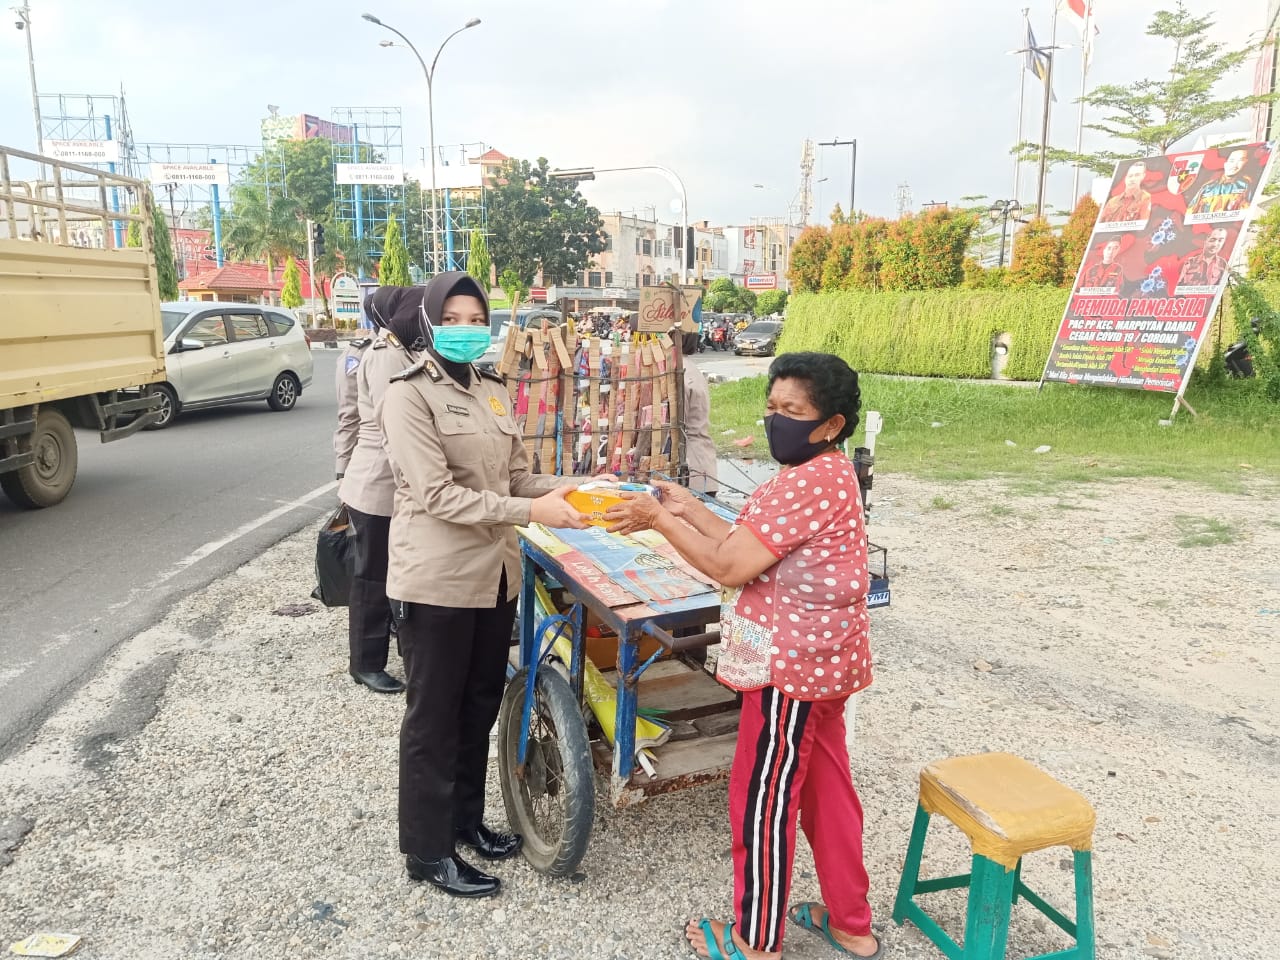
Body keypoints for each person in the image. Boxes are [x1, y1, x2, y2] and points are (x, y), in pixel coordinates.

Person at [605, 352, 880, 960]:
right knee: (826, 788)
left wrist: (655, 520)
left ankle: (755, 940)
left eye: (792, 411)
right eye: (772, 406)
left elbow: (729, 565)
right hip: (825, 662)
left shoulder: (811, 479)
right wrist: (684, 509)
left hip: (790, 669)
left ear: (831, 423)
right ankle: (850, 923)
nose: (776, 419)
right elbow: (747, 542)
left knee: (764, 798)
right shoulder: (825, 470)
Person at [378, 271, 590, 899]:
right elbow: (437, 495)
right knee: (433, 718)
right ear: (429, 322)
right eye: (456, 319)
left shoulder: (493, 389)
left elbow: (516, 475)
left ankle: (466, 822)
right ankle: (427, 848)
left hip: (494, 578)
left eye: (479, 319)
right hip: (437, 581)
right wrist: (532, 514)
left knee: (477, 706)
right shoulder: (408, 396)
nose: (470, 331)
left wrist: (569, 489)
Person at [334, 286, 419, 694]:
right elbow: (395, 428)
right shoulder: (386, 354)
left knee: (397, 573)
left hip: (393, 484)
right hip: (378, 485)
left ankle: (403, 648)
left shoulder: (403, 348)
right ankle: (365, 663)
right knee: (372, 578)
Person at [680, 327, 718, 497]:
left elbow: (679, 424)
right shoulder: (687, 367)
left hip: (693, 468)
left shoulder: (680, 372)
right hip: (702, 463)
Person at [1187, 149, 1252, 216]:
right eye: (1232, 161)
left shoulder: (1245, 185)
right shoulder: (1207, 187)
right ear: (1225, 164)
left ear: (1246, 163)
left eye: (1241, 160)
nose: (1235, 165)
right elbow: (1190, 212)